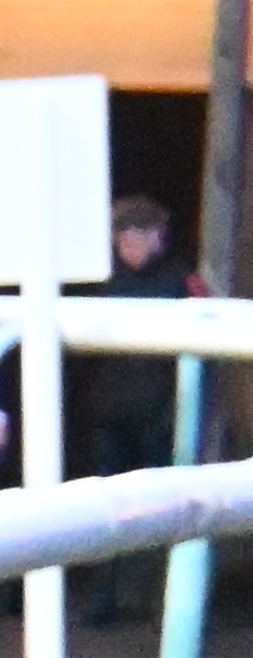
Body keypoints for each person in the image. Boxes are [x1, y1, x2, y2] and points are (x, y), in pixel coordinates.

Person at [79, 191, 196, 619]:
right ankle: (103, 600)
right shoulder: (104, 281)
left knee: (162, 509)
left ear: (156, 236)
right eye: (120, 236)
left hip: (159, 415)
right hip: (111, 413)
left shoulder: (181, 281)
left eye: (134, 235)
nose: (126, 245)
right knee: (106, 507)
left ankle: (154, 602)